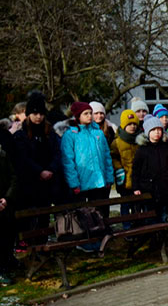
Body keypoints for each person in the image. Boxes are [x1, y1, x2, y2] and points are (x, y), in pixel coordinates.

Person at [60, 102, 115, 252]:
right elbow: (68, 161)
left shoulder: (98, 133)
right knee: (84, 215)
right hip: (82, 184)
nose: (90, 116)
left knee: (100, 212)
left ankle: (100, 241)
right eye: (86, 114)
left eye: (90, 113)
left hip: (99, 182)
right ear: (77, 116)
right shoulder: (70, 135)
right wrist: (74, 183)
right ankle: (85, 241)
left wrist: (109, 178)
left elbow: (106, 157)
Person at [12, 92, 63, 221]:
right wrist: (39, 171)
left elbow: (57, 153)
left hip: (48, 183)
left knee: (44, 219)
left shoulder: (50, 133)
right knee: (30, 219)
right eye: (35, 114)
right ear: (29, 114)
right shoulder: (20, 135)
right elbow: (22, 158)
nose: (38, 117)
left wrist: (50, 169)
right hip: (30, 183)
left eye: (41, 114)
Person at [132, 116, 168, 224]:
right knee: (150, 215)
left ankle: (162, 236)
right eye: (153, 130)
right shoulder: (142, 150)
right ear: (148, 132)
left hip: (164, 187)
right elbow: (136, 170)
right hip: (147, 188)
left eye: (159, 129)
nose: (157, 132)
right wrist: (136, 187)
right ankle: (152, 237)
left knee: (163, 214)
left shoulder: (167, 147)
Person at [110, 109, 141, 224]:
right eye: (129, 124)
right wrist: (119, 169)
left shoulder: (140, 140)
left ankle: (137, 227)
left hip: (138, 179)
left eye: (134, 124)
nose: (132, 127)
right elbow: (113, 157)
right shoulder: (117, 142)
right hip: (124, 179)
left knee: (137, 205)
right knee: (125, 205)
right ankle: (127, 227)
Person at [0, 141, 17, 285]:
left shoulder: (2, 155)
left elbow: (13, 177)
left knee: (7, 237)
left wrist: (6, 198)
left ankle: (5, 266)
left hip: (5, 204)